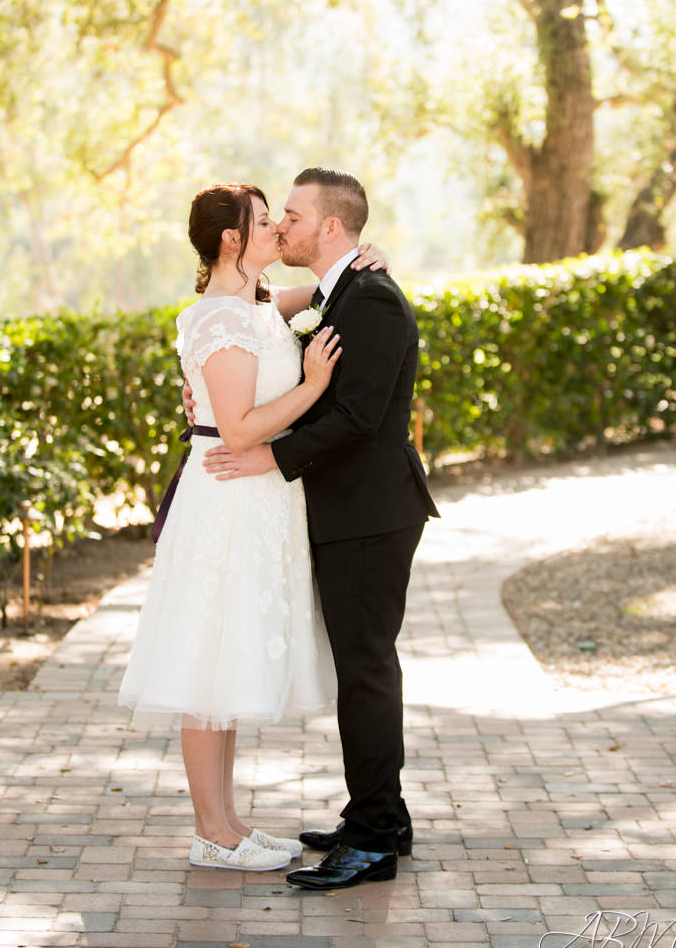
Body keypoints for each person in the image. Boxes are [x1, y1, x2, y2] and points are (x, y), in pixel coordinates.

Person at [118, 181, 389, 873]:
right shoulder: (219, 319)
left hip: (258, 502)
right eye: (265, 222)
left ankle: (230, 823)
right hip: (229, 501)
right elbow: (237, 429)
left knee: (229, 662)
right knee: (208, 662)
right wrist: (311, 388)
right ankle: (212, 831)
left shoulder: (257, 306)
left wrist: (361, 261)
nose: (276, 230)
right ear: (231, 240)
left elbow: (318, 297)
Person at [204, 167, 440, 890]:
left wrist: (267, 457)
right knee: (362, 669)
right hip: (351, 512)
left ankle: (372, 838)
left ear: (331, 228)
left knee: (365, 672)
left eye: (295, 216)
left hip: (370, 515)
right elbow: (241, 314)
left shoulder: (369, 299)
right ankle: (382, 814)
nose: (285, 227)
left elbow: (357, 418)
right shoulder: (342, 292)